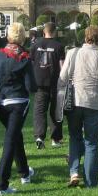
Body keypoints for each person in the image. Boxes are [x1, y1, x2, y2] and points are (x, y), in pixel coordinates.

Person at [59, 26, 98, 188]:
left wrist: (58, 100)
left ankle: (74, 172)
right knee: (91, 142)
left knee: (74, 137)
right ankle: (91, 182)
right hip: (94, 103)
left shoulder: (72, 53)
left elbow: (62, 78)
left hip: (74, 101)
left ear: (85, 38)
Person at [0, 23, 37, 196]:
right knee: (10, 140)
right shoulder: (24, 57)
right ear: (23, 37)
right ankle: (2, 185)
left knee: (15, 136)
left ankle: (24, 173)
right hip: (18, 102)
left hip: (1, 103)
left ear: (8, 36)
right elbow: (31, 86)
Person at [30, 22, 66, 150]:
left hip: (39, 83)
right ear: (54, 32)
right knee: (55, 111)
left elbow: (31, 63)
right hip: (55, 83)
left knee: (40, 111)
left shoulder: (35, 45)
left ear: (43, 32)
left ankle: (39, 137)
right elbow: (62, 66)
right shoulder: (59, 46)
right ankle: (55, 139)